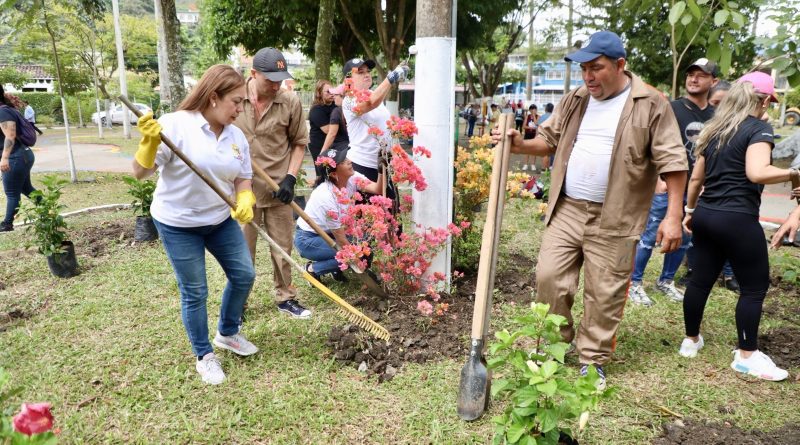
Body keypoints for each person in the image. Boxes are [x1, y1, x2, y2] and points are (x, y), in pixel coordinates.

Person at [493, 31, 688, 388]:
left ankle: (592, 358)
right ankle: (553, 347)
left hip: (616, 215)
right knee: (549, 277)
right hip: (566, 208)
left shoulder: (650, 103)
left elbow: (673, 161)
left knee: (605, 291)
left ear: (620, 65)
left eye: (596, 68)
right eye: (584, 69)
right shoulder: (577, 99)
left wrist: (674, 217)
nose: (588, 77)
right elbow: (548, 140)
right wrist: (520, 143)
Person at [131, 64, 258, 385]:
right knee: (195, 290)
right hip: (178, 223)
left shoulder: (235, 135)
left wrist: (245, 199)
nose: (240, 109)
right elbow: (139, 172)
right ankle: (204, 355)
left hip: (218, 220)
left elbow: (243, 177)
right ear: (213, 97)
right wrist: (148, 144)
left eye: (243, 102)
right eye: (236, 101)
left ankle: (227, 333)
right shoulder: (174, 126)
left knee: (244, 274)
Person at [679, 72, 792, 381]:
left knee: (700, 280)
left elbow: (697, 178)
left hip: (706, 213)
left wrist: (689, 210)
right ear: (766, 100)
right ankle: (747, 356)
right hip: (737, 218)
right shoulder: (759, 128)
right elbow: (756, 172)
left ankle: (690, 341)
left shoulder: (714, 130)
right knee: (754, 288)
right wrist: (794, 172)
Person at [628, 58, 736, 307]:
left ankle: (666, 281)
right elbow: (651, 142)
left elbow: (715, 152)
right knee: (650, 233)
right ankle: (635, 282)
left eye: (701, 75)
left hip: (696, 188)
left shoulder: (715, 116)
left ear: (714, 81)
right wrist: (656, 177)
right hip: (667, 184)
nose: (693, 79)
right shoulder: (671, 108)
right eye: (690, 74)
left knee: (684, 236)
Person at [234, 47, 312, 319]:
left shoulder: (289, 101)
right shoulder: (234, 98)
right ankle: (238, 304)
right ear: (253, 73)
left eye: (280, 78)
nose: (276, 84)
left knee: (282, 248)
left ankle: (286, 297)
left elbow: (300, 143)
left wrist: (290, 177)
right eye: (270, 79)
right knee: (243, 252)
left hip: (279, 188)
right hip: (243, 190)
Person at [294, 142, 383, 281]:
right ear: (334, 174)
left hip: (330, 233)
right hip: (308, 239)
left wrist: (381, 169)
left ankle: (336, 270)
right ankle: (312, 269)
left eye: (346, 158)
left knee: (366, 241)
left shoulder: (351, 178)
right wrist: (359, 260)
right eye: (343, 161)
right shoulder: (326, 196)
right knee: (347, 257)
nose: (350, 161)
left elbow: (377, 189)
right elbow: (341, 239)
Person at [341, 57, 408, 183]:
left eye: (368, 71)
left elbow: (388, 129)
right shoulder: (349, 100)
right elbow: (371, 103)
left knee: (392, 202)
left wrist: (399, 157)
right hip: (362, 166)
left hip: (383, 166)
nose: (366, 75)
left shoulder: (373, 93)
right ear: (348, 80)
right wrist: (391, 77)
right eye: (360, 72)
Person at [0, 87, 37, 232]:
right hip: (21, 155)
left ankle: (7, 224)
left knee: (11, 193)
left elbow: (10, 136)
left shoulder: (3, 111)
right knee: (27, 189)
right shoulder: (5, 110)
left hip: (16, 157)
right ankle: (49, 208)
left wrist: (4, 158)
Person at [307, 80, 335, 167]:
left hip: (334, 144)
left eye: (333, 90)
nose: (332, 93)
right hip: (319, 145)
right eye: (328, 91)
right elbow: (328, 130)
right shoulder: (316, 109)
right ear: (319, 93)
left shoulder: (336, 105)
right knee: (323, 173)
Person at [522, 104, 539, 171]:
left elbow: (536, 124)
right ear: (530, 110)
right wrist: (531, 127)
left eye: (535, 109)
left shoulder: (538, 116)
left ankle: (533, 165)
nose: (534, 111)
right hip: (527, 134)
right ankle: (525, 164)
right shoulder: (527, 116)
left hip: (534, 135)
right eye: (532, 109)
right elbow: (524, 126)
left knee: (534, 150)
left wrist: (534, 116)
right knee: (527, 150)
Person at [538, 103, 555, 168]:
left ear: (546, 109)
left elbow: (539, 127)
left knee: (545, 154)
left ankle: (544, 168)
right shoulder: (554, 117)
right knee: (552, 153)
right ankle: (550, 167)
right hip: (553, 137)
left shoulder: (542, 117)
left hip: (543, 136)